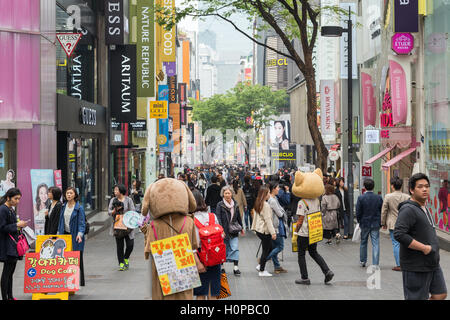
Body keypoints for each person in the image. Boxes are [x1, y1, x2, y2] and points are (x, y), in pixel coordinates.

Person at [394, 173, 447, 300]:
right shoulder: (408, 209)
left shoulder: (423, 208)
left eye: (427, 186)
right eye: (420, 186)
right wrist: (424, 248)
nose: (425, 189)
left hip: (432, 263)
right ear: (412, 190)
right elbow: (399, 234)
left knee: (440, 294)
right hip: (416, 266)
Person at [293, 169, 334, 285]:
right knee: (314, 252)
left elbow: (300, 220)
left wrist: (295, 232)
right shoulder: (316, 200)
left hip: (304, 232)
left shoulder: (302, 202)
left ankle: (304, 277)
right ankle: (327, 271)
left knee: (301, 254)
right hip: (314, 231)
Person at [192, 190, 223, 300]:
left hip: (200, 256)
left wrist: (197, 263)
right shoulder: (212, 216)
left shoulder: (190, 220)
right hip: (215, 255)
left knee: (200, 293)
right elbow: (221, 235)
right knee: (213, 292)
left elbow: (192, 245)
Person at [0, 188, 28, 300]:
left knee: (11, 273)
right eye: (16, 198)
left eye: (19, 199)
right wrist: (17, 225)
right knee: (6, 273)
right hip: (7, 246)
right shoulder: (3, 209)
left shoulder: (10, 209)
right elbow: (2, 227)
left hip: (13, 245)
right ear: (8, 198)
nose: (17, 201)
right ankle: (5, 297)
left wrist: (19, 224)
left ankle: (10, 296)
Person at [57, 187, 86, 286]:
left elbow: (82, 223)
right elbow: (60, 221)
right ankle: (67, 279)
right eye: (67, 193)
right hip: (64, 235)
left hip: (75, 236)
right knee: (65, 258)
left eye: (71, 193)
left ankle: (78, 281)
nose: (69, 195)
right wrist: (58, 233)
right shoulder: (63, 206)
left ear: (75, 195)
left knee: (77, 258)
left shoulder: (79, 208)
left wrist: (80, 234)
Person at [381, 177, 410, 271]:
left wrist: (383, 223)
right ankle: (406, 263)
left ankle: (399, 264)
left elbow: (384, 211)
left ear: (392, 186)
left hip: (393, 223)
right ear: (401, 186)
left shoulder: (388, 197)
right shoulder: (407, 197)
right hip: (405, 223)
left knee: (396, 243)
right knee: (405, 243)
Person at [215, 186, 244, 276]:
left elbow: (238, 216)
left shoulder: (235, 204)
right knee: (224, 249)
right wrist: (220, 229)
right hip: (224, 230)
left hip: (233, 230)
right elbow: (218, 217)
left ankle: (236, 267)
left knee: (235, 248)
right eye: (225, 193)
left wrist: (242, 227)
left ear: (232, 194)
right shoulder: (220, 205)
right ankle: (222, 267)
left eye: (229, 193)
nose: (227, 195)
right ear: (223, 194)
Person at [108, 184, 136, 271]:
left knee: (130, 244)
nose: (115, 191)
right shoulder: (113, 200)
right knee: (119, 246)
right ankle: (121, 263)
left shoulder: (128, 200)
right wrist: (114, 210)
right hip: (118, 225)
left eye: (116, 190)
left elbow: (133, 211)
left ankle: (126, 258)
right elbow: (109, 212)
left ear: (121, 190)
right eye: (114, 190)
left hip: (128, 225)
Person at [356, 178, 383, 268]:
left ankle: (363, 260)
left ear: (364, 187)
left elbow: (358, 212)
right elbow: (381, 210)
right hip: (375, 223)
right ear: (373, 187)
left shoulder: (361, 198)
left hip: (364, 223)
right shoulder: (378, 198)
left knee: (363, 242)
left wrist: (359, 221)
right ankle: (375, 263)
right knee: (375, 243)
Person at [252, 186, 276, 277]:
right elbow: (268, 220)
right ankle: (262, 270)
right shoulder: (265, 205)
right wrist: (273, 232)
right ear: (265, 194)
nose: (269, 194)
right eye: (268, 192)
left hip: (259, 230)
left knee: (268, 248)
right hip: (265, 231)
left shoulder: (258, 203)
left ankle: (260, 265)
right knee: (266, 250)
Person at [266, 181, 288, 273]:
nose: (279, 189)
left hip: (275, 225)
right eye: (277, 188)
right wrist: (283, 214)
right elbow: (279, 213)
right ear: (273, 189)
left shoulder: (274, 198)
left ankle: (277, 266)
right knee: (280, 246)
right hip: (276, 226)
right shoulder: (272, 200)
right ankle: (265, 259)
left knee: (275, 246)